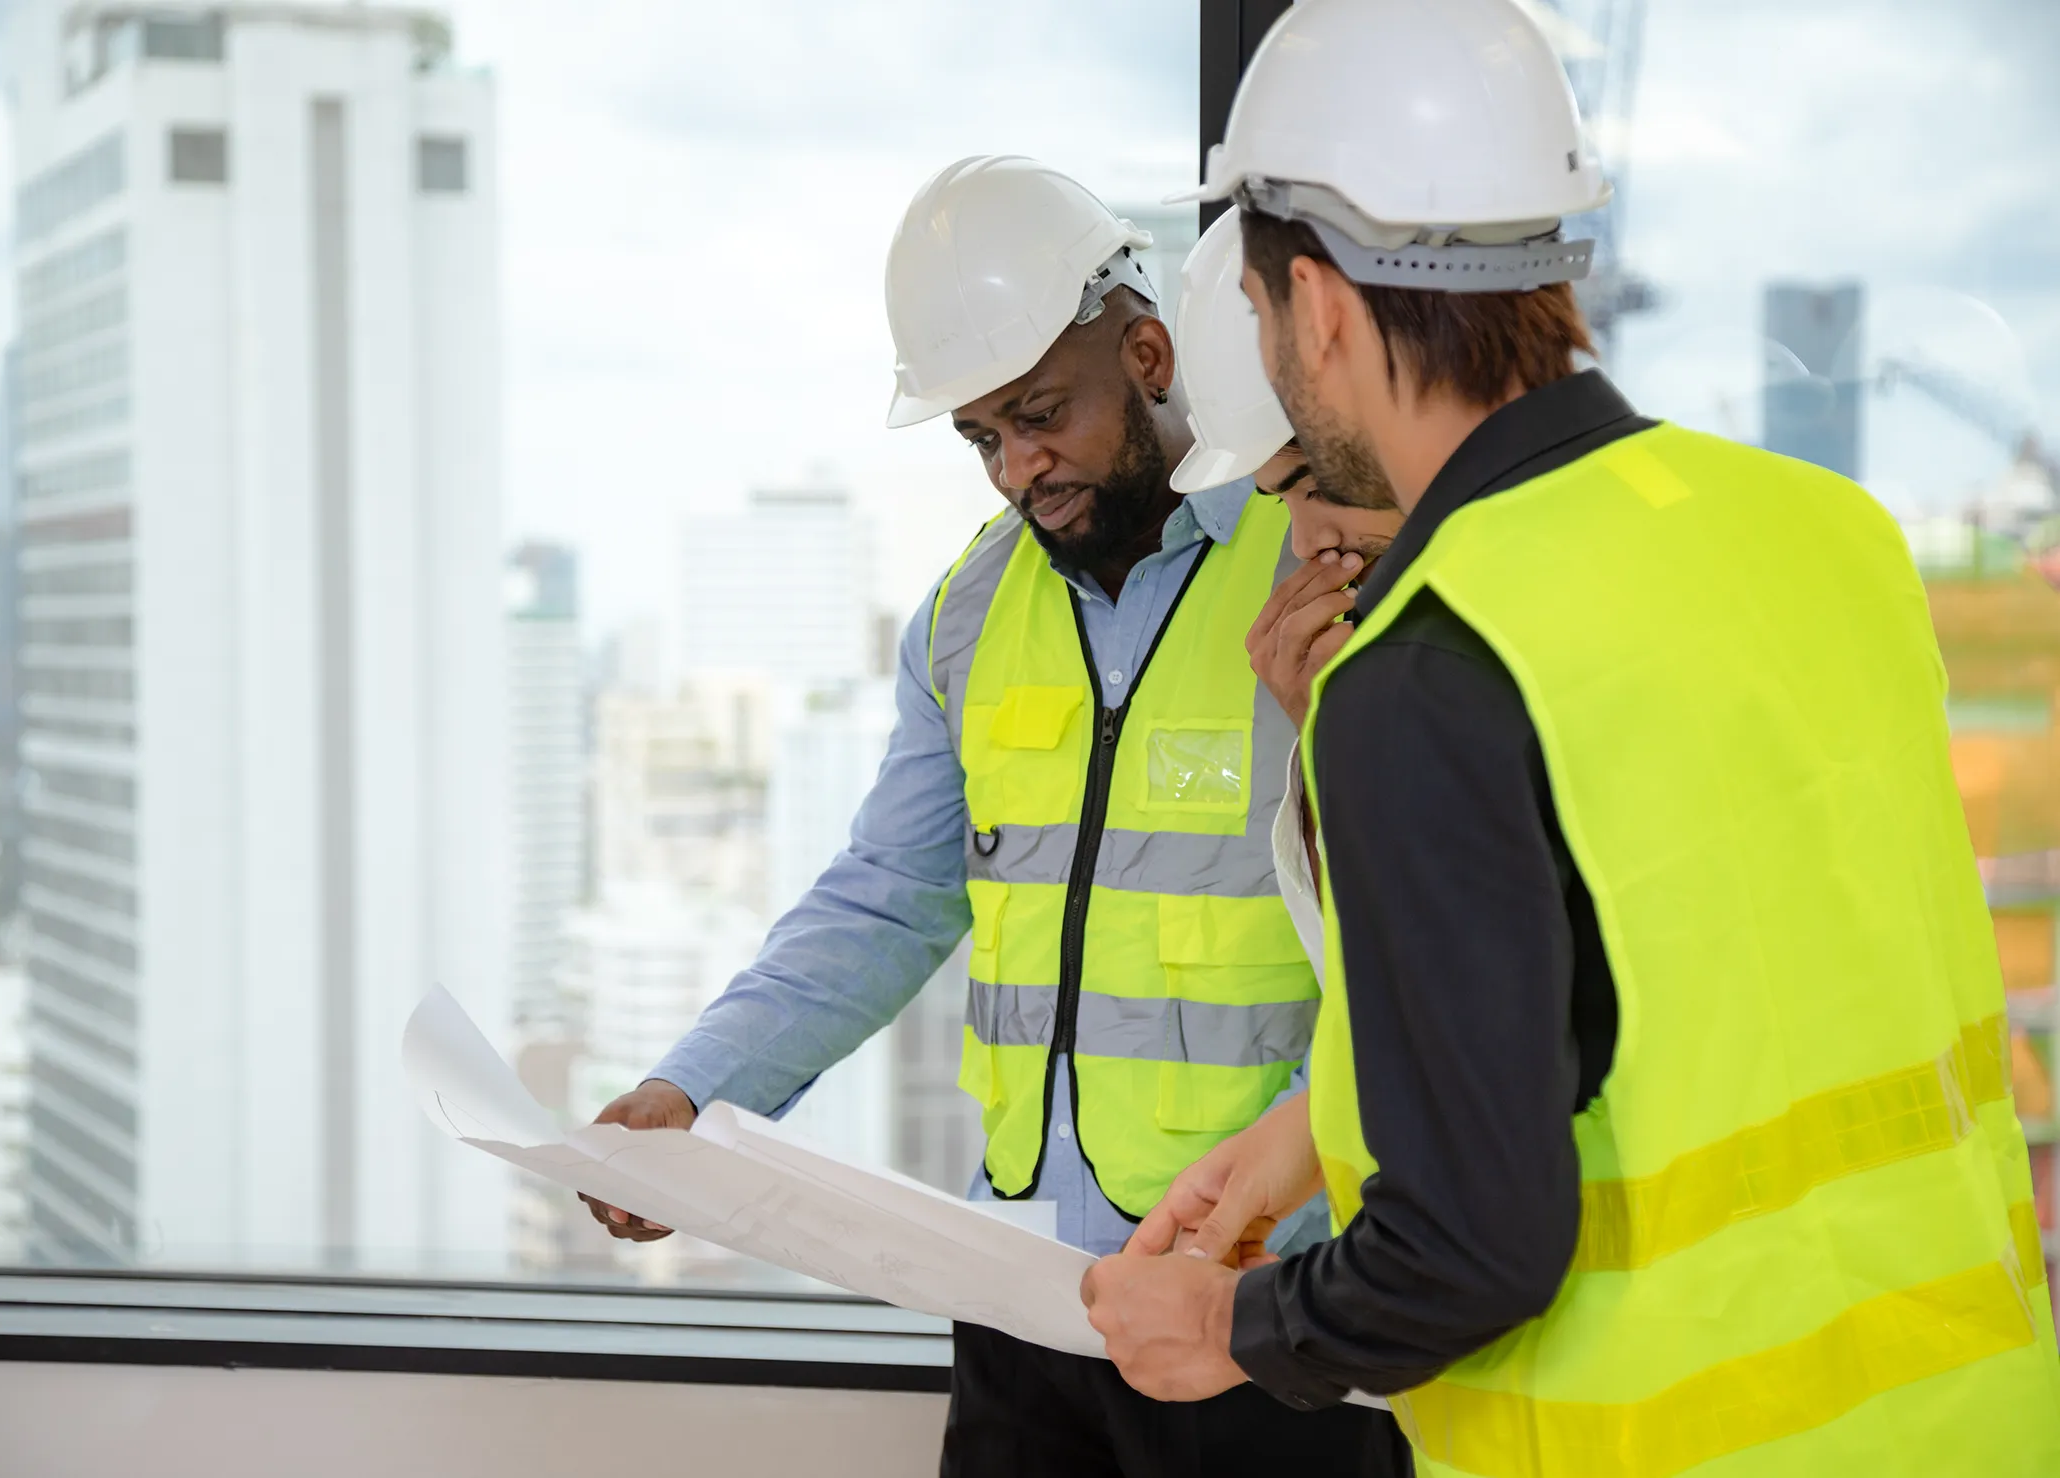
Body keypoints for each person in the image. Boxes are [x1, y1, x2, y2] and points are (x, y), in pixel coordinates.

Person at [1080, 1, 2060, 1473]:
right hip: (1976, 1419)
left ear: (1322, 305)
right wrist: (1308, 1134)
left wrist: (1224, 1329)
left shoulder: (1428, 666)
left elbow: (1468, 1251)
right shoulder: (1829, 534)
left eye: (1269, 320)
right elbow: (1695, 968)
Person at [581, 156, 1407, 1477]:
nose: (1020, 469)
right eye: (981, 438)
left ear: (1145, 352)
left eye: (1040, 415)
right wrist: (691, 1089)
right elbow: (883, 898)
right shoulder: (969, 616)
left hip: (1256, 1303)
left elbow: (1421, 931)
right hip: (1022, 1302)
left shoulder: (1314, 556)